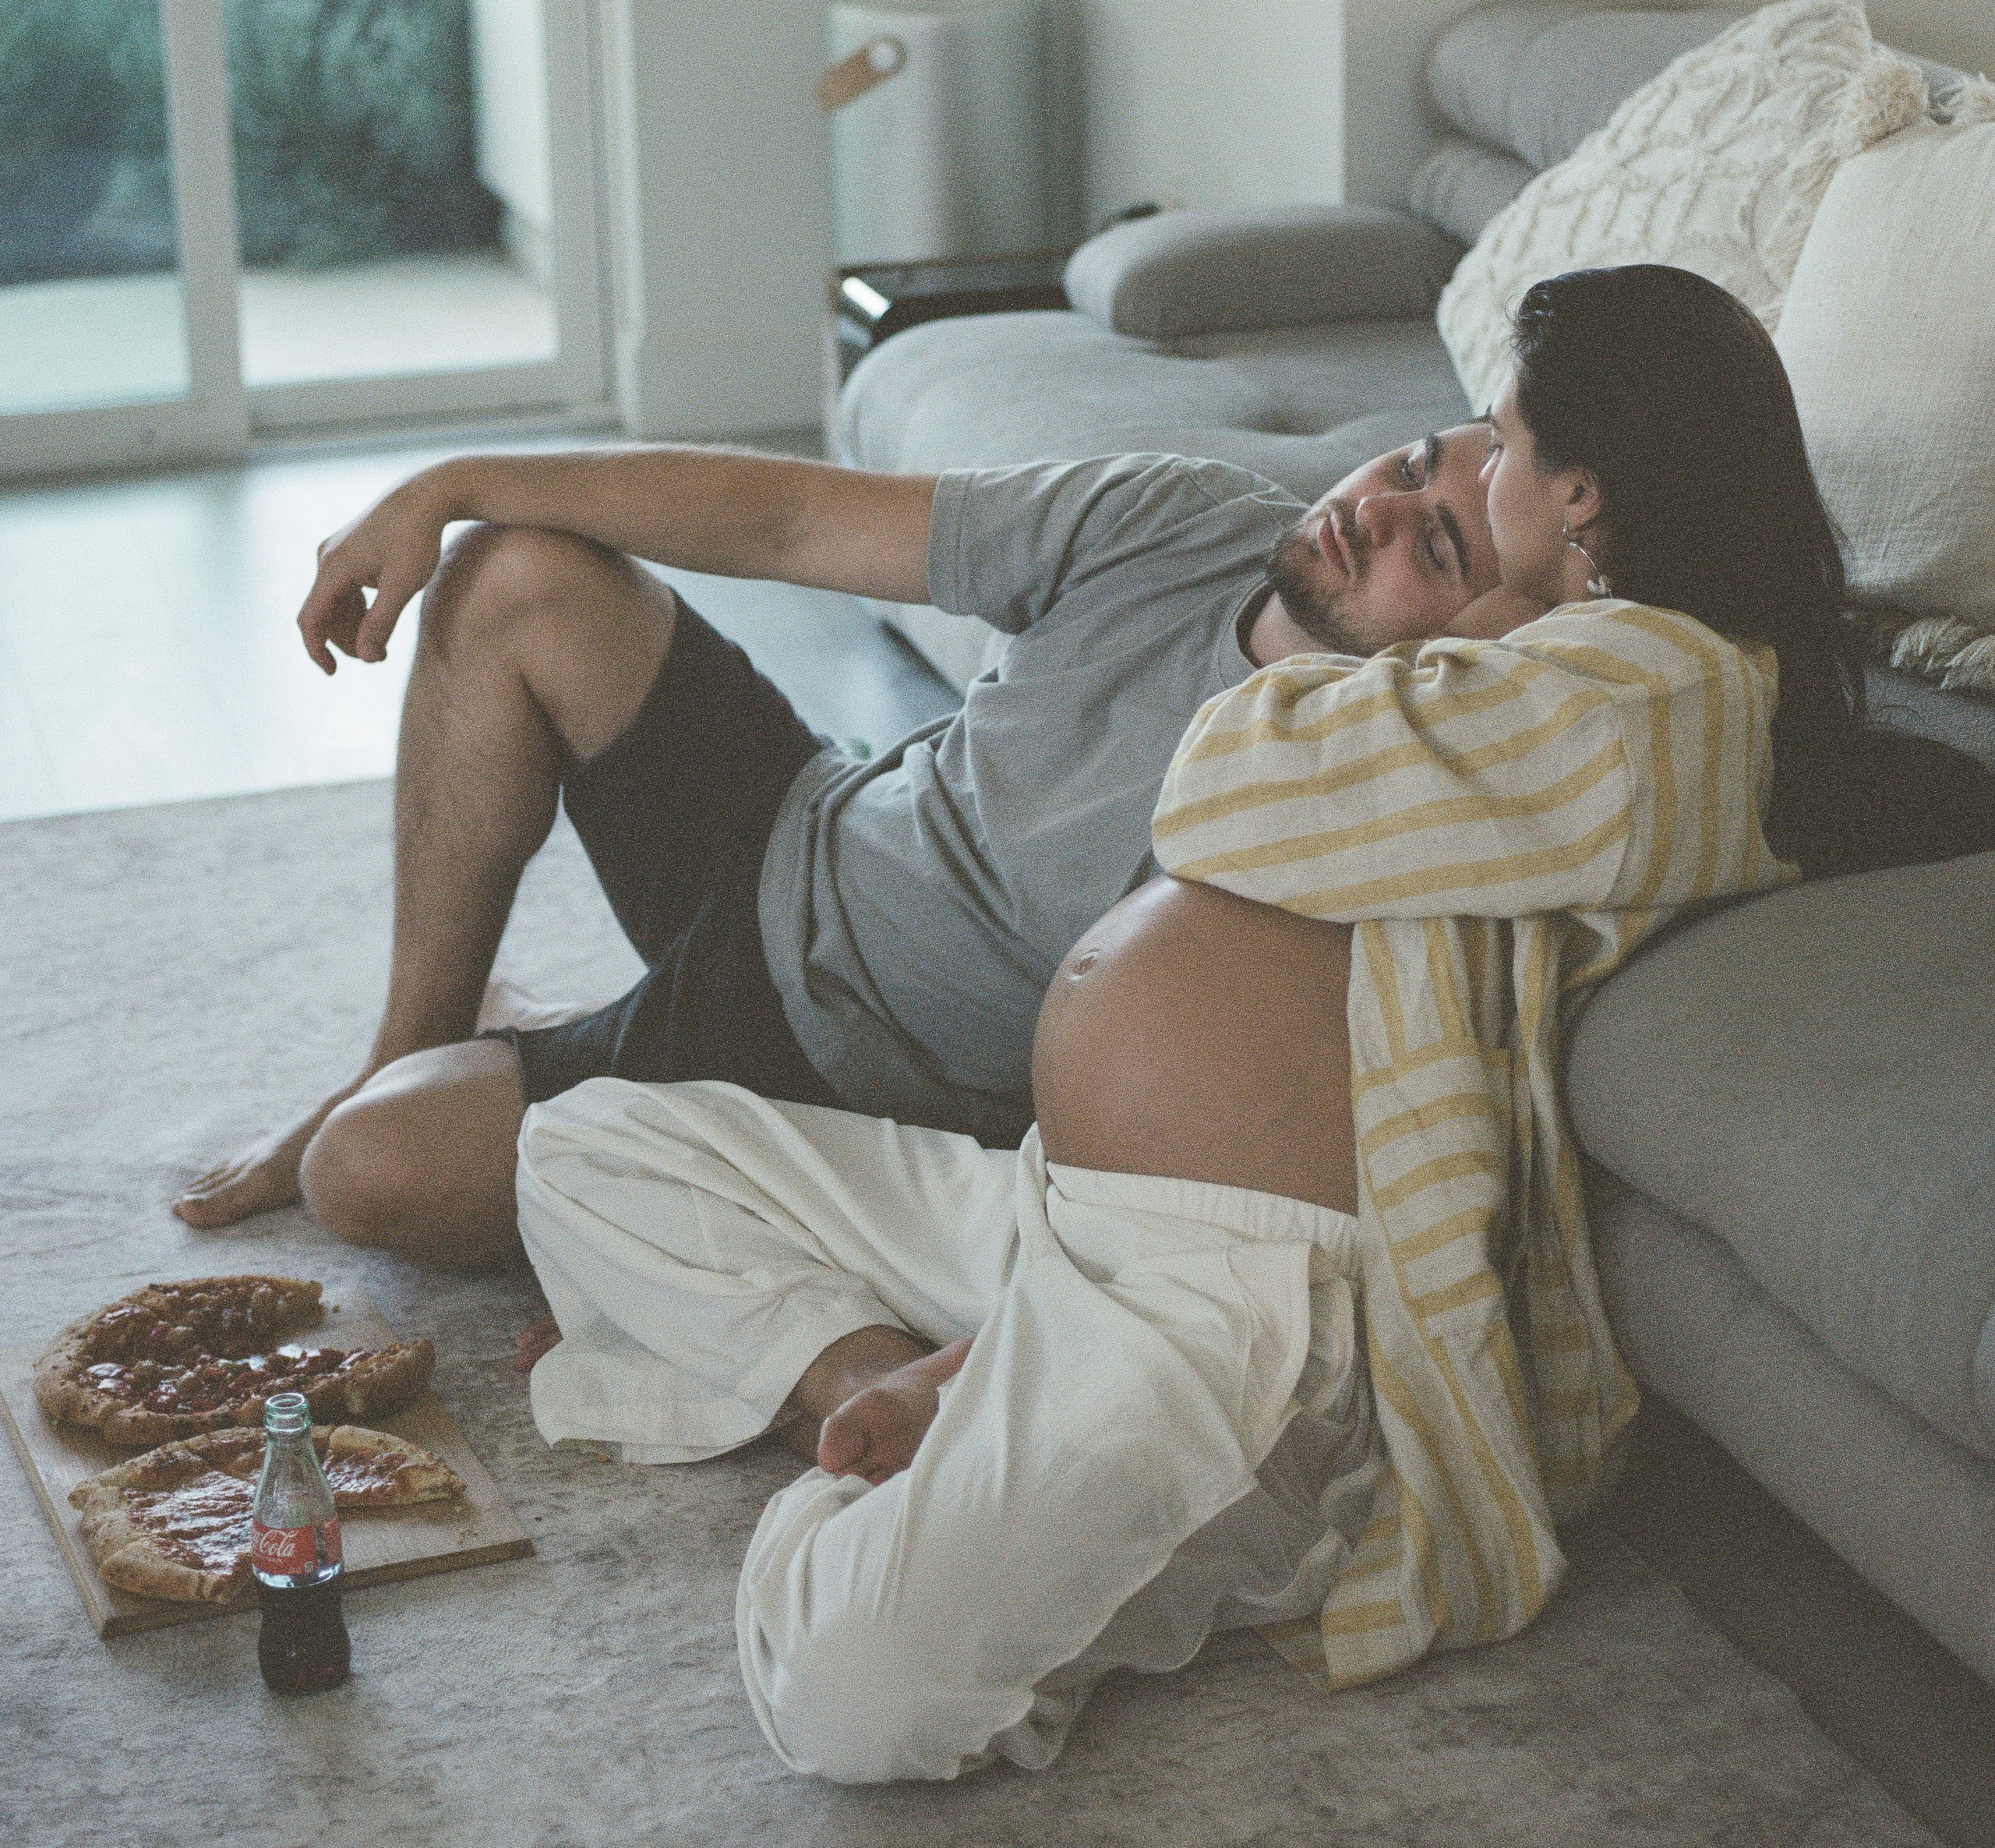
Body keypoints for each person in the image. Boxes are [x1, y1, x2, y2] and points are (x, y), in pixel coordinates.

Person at [509, 265, 1861, 1783]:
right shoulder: (1541, 664)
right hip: (1062, 1216)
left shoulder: (1637, 692)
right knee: (579, 1142)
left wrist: (1460, 616)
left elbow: (1234, 777)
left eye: (1493, 442)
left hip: (1230, 1316)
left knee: (855, 1691)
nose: (1464, 465)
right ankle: (883, 1367)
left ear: (1585, 492)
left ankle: (942, 1456)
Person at [174, 424, 1503, 1266]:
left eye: (1433, 546)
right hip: (803, 820)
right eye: (1402, 464)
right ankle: (408, 1046)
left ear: (1488, 646)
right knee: (514, 575)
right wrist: (447, 480)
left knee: (370, 1170)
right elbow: (796, 520)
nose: (1373, 511)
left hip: (813, 1066)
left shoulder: (1332, 789)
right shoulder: (1191, 517)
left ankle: (521, 1103)